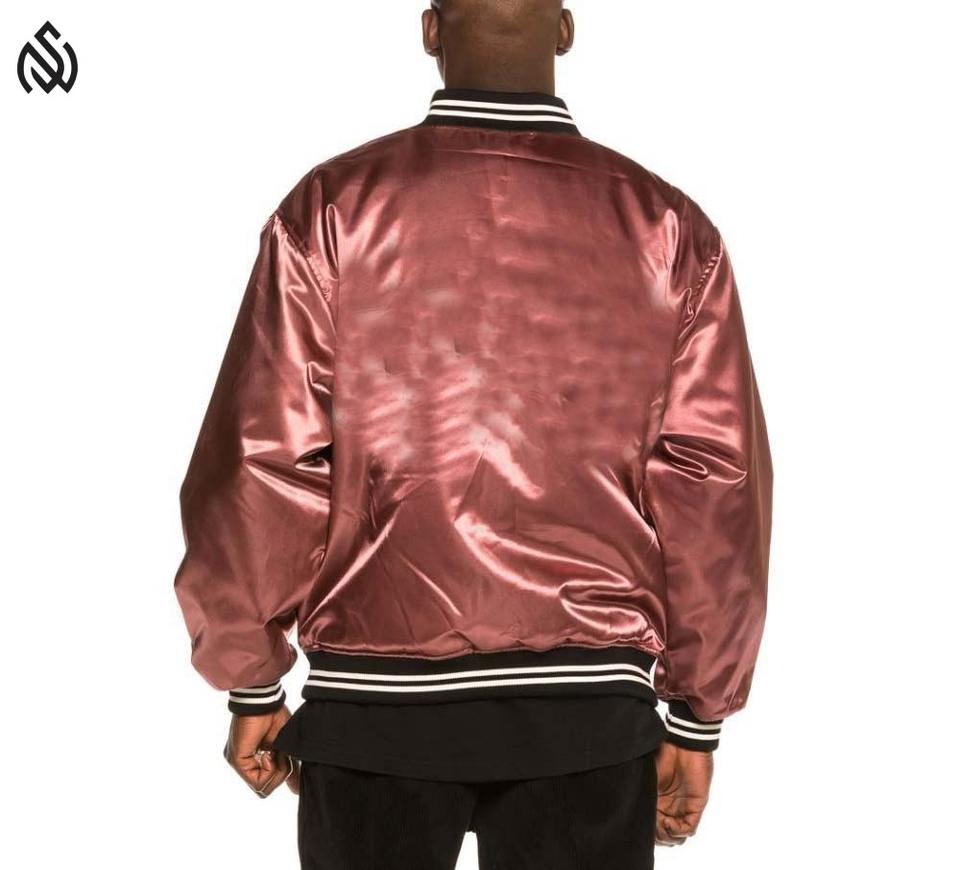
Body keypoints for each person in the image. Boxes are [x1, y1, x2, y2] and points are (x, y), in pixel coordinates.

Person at [174, 1, 773, 867]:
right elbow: (717, 483)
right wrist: (698, 711)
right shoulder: (668, 229)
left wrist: (250, 677)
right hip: (589, 719)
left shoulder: (334, 210)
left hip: (376, 714)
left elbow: (261, 460)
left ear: (430, 29)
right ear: (564, 29)